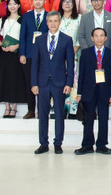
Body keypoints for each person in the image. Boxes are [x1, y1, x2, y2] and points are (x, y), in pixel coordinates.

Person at [31, 11, 75, 154]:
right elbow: (35, 64)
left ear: (59, 22)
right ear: (47, 22)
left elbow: (70, 64)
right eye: (50, 21)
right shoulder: (39, 40)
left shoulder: (67, 40)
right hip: (43, 82)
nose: (53, 24)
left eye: (55, 21)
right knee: (42, 114)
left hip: (59, 82)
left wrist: (69, 83)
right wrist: (34, 83)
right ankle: (43, 143)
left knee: (59, 114)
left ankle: (58, 143)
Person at [75, 27, 111, 155]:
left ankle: (102, 145)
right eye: (96, 36)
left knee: (103, 118)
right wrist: (79, 93)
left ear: (106, 38)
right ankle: (87, 145)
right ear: (92, 38)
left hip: (105, 91)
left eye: (102, 36)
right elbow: (81, 74)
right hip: (89, 91)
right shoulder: (86, 53)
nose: (99, 38)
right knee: (88, 119)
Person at [0, 0, 25, 118]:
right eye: (10, 4)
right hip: (4, 53)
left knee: (15, 79)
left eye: (15, 4)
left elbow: (25, 38)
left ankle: (14, 107)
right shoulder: (2, 20)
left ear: (18, 6)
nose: (12, 6)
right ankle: (7, 106)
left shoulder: (22, 20)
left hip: (16, 53)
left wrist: (16, 46)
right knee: (5, 79)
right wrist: (1, 45)